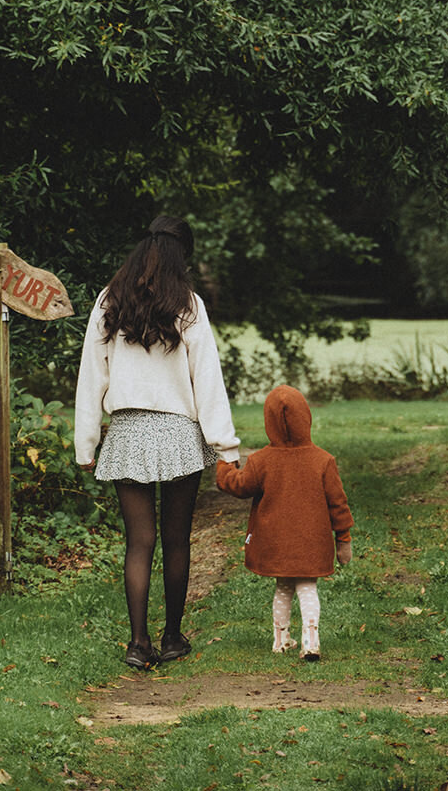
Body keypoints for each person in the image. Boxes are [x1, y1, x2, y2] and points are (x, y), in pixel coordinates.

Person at [74, 215, 241, 669]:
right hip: (179, 434)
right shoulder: (187, 304)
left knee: (138, 542)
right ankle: (172, 638)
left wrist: (85, 444)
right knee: (177, 539)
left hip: (127, 432)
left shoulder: (110, 301)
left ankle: (137, 643)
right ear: (181, 254)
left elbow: (93, 375)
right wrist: (226, 447)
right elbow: (207, 379)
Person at [214, 385, 354, 661]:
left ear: (269, 422)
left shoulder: (260, 461)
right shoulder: (323, 461)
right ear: (306, 417)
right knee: (307, 587)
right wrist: (343, 539)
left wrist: (224, 468)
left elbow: (239, 485)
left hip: (275, 542)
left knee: (284, 588)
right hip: (311, 543)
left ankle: (281, 639)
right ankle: (310, 641)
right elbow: (338, 503)